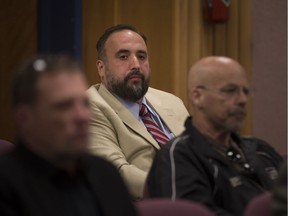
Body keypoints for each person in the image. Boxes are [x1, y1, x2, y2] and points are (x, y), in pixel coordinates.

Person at [0, 54, 138, 216]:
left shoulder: (104, 173)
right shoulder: (6, 184)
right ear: (24, 119)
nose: (82, 116)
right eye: (64, 106)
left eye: (85, 104)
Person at [146, 56, 283, 216]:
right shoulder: (179, 156)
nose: (243, 100)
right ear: (197, 97)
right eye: (230, 91)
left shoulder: (260, 149)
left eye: (245, 91)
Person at [87, 24, 189, 200]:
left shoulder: (172, 102)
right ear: (101, 68)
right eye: (123, 56)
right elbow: (115, 172)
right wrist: (181, 191)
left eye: (141, 56)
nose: (136, 65)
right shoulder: (89, 106)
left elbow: (202, 153)